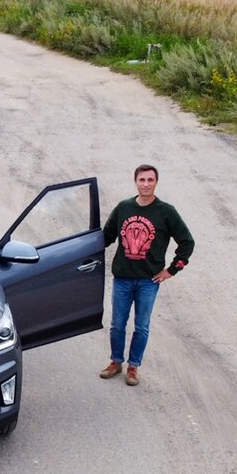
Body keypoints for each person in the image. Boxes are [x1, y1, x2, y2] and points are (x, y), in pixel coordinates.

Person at [99, 164, 194, 386]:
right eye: (142, 180)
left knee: (141, 326)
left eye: (150, 180)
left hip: (148, 281)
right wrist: (82, 253)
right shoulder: (124, 207)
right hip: (122, 278)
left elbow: (187, 242)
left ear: (156, 182)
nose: (146, 184)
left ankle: (133, 367)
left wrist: (172, 270)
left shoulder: (166, 211)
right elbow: (106, 236)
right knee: (117, 324)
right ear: (135, 182)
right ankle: (116, 362)